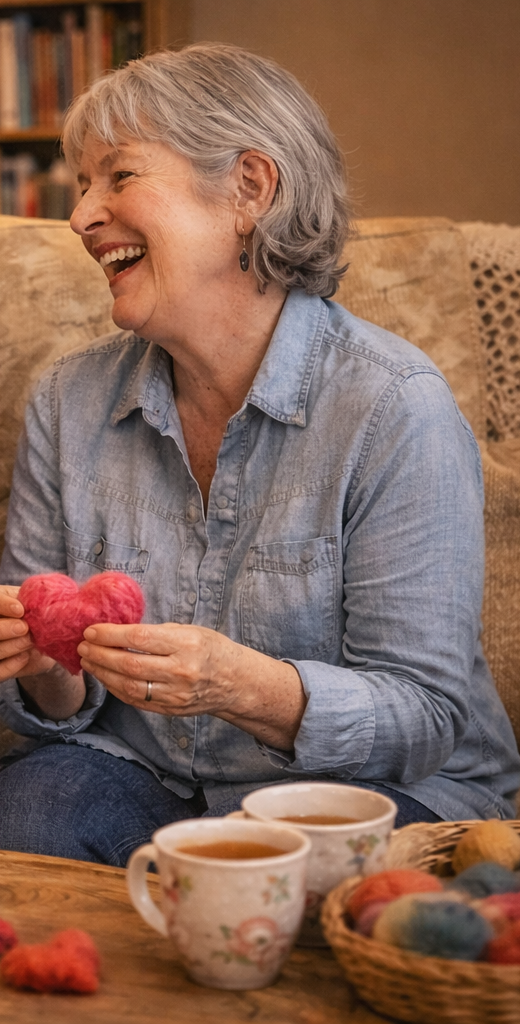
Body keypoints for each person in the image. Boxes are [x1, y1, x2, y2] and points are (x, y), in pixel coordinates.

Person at [0, 44, 518, 867]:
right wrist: (42, 667)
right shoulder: (68, 402)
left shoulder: (394, 407)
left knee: (298, 874)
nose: (80, 216)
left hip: (365, 783)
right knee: (24, 828)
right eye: (80, 184)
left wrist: (242, 685)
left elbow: (423, 716)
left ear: (249, 188)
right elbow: (59, 708)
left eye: (118, 176)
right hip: (145, 769)